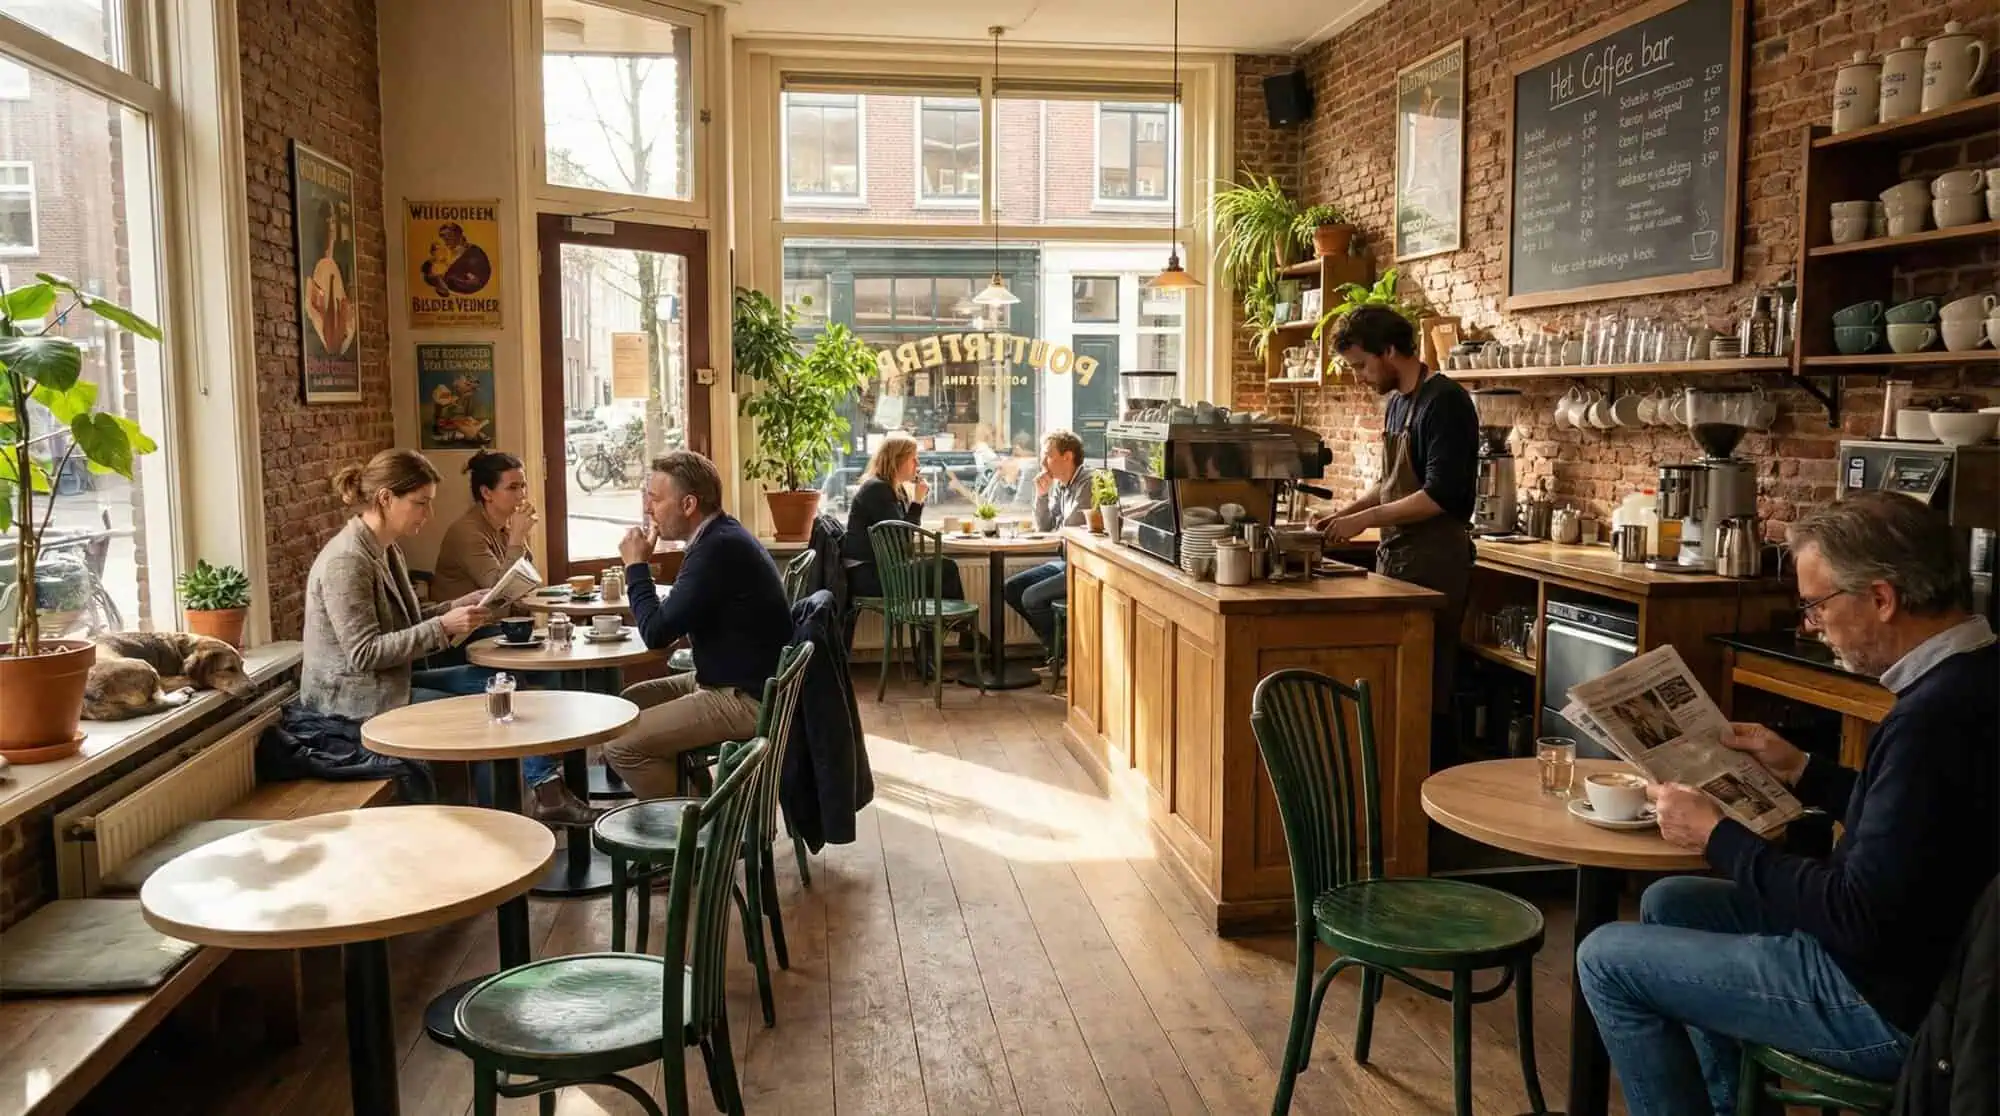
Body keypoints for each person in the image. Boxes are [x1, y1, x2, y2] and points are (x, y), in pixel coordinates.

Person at [1576, 492, 1998, 1116]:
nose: (1811, 625)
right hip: (1921, 957)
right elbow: (1916, 834)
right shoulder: (1976, 674)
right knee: (1670, 900)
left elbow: (1856, 916)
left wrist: (1718, 836)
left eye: (1816, 605)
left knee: (1604, 958)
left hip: (1889, 1000)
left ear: (1882, 599)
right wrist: (1804, 770)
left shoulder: (1933, 720)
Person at [1313, 306, 1478, 762]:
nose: (1360, 376)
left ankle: (1434, 796)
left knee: (1428, 685)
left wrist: (1366, 521)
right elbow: (1390, 485)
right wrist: (1344, 513)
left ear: (1390, 351)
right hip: (1399, 558)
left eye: (1362, 364)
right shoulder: (1399, 403)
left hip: (1436, 562)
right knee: (1400, 681)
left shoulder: (1445, 402)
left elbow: (1440, 495)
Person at [603, 451, 794, 798]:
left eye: (656, 500)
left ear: (688, 504)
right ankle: (700, 797)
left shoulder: (716, 549)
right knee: (627, 705)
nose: (649, 509)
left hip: (745, 697)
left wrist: (635, 567)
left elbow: (657, 635)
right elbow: (674, 616)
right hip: (729, 678)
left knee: (620, 745)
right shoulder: (719, 535)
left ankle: (699, 836)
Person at [422, 451, 591, 824]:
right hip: (463, 646)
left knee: (559, 676)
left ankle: (552, 775)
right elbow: (500, 591)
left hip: (498, 635)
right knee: (518, 687)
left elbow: (528, 580)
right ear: (486, 492)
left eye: (523, 484)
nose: (521, 493)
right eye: (512, 487)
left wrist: (516, 538)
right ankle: (543, 787)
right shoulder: (468, 532)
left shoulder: (500, 528)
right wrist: (517, 536)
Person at [300, 449, 491, 718]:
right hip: (352, 700)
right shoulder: (347, 561)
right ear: (386, 498)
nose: (430, 513)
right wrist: (443, 626)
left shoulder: (387, 547)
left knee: (497, 683)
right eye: (421, 503)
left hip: (392, 681)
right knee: (475, 714)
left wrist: (456, 606)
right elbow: (364, 654)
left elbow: (406, 621)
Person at [1003, 430, 1094, 669]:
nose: (1043, 463)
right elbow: (1045, 527)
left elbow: (1069, 527)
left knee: (1031, 597)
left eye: (1048, 456)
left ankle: (1061, 654)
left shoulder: (1088, 483)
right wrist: (1041, 496)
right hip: (1066, 560)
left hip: (1084, 566)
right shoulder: (1062, 486)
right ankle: (1059, 649)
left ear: (1068, 456)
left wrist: (1055, 523)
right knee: (1011, 588)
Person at [842, 432, 964, 601]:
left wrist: (915, 502)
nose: (918, 464)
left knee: (938, 571)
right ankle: (957, 626)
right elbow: (902, 539)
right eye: (913, 459)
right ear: (897, 460)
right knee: (945, 568)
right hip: (868, 575)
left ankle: (941, 627)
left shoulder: (894, 490)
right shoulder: (877, 489)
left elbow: (901, 537)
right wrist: (917, 502)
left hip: (882, 570)